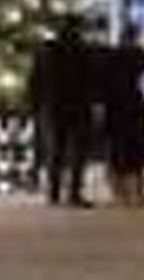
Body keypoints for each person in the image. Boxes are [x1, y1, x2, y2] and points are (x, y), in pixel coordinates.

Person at [29, 15, 98, 207]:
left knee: (55, 152)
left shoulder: (45, 50)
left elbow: (35, 80)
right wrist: (95, 102)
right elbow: (92, 80)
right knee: (77, 153)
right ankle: (74, 193)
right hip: (78, 106)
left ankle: (53, 194)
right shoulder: (84, 50)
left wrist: (35, 105)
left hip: (52, 107)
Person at [102, 21, 144, 206]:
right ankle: (137, 192)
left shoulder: (111, 54)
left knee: (117, 150)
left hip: (114, 105)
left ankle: (119, 192)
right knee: (136, 150)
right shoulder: (137, 53)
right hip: (134, 104)